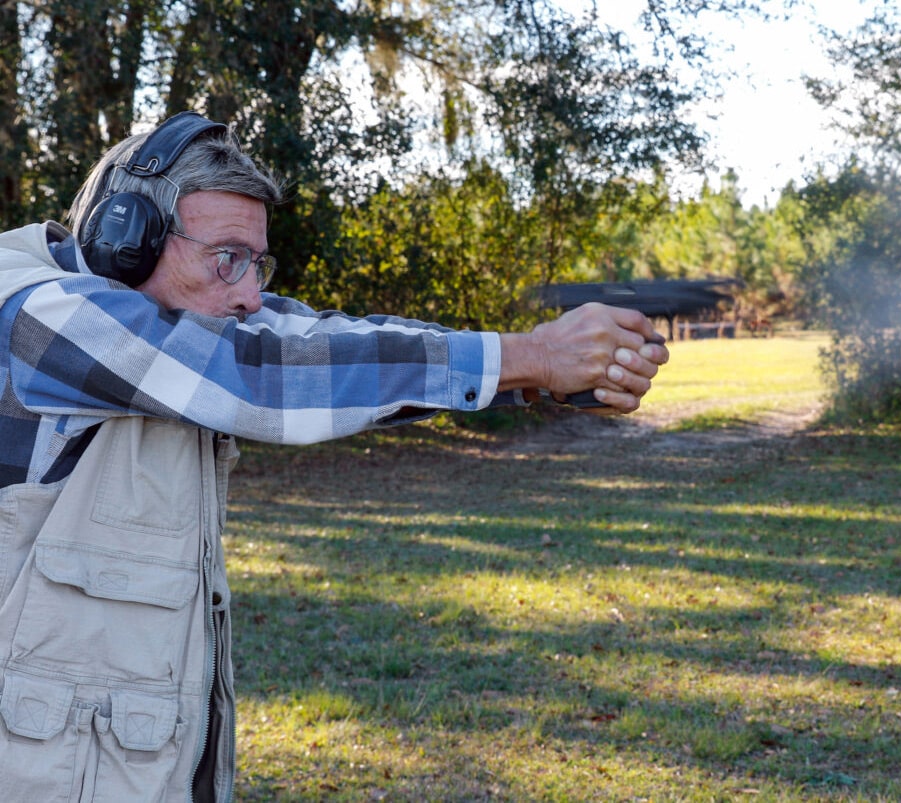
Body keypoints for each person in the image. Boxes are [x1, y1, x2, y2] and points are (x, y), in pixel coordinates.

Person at [0, 111, 668, 802]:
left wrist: (535, 373)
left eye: (257, 263)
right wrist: (537, 354)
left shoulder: (183, 314)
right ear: (124, 243)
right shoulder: (34, 315)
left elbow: (322, 339)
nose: (250, 292)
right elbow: (259, 371)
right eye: (228, 258)